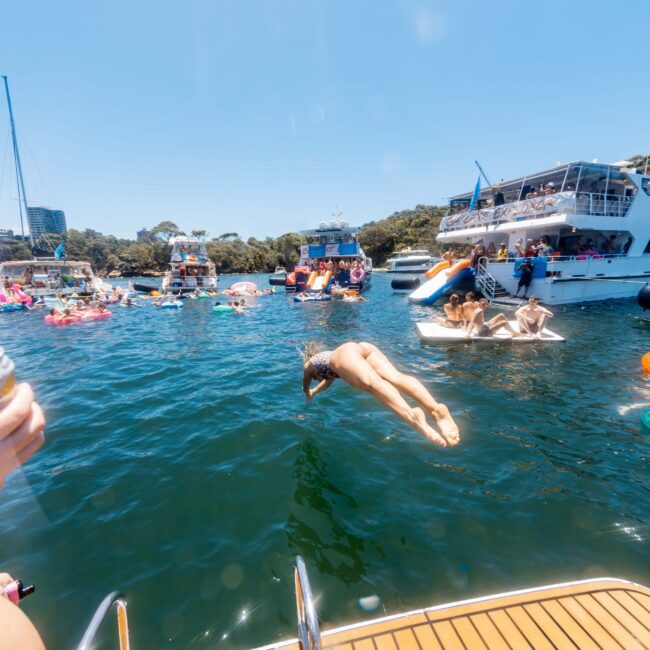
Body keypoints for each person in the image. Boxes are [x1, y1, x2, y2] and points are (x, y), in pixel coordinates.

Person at [301, 342, 459, 447]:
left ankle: (413, 416)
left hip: (345, 354)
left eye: (316, 378)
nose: (317, 378)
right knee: (396, 377)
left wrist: (307, 391)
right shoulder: (326, 362)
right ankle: (436, 408)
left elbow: (305, 381)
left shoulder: (309, 364)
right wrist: (314, 392)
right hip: (362, 348)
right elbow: (327, 382)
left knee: (371, 384)